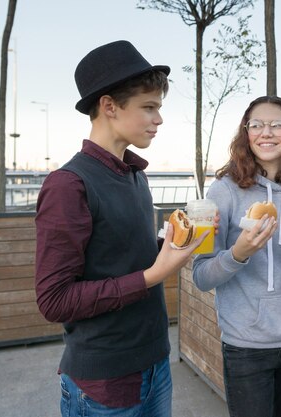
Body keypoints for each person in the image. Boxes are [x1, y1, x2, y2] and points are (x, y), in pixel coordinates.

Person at [34, 40, 210, 417]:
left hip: (156, 365)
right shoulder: (69, 184)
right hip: (104, 385)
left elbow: (121, 258)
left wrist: (170, 243)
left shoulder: (135, 174)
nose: (158, 119)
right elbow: (54, 300)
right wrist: (154, 275)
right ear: (109, 106)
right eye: (149, 108)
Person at [192, 96, 281, 417]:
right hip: (246, 344)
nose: (266, 132)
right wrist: (239, 253)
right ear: (245, 133)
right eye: (256, 125)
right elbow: (201, 276)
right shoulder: (224, 191)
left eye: (277, 124)